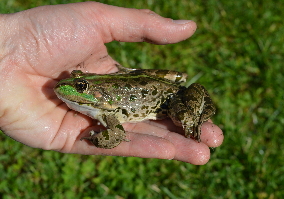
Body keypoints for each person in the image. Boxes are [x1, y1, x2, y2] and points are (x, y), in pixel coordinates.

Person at [0, 2, 223, 165]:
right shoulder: (97, 102)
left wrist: (96, 139)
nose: (67, 86)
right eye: (79, 82)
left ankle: (196, 119)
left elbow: (115, 135)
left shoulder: (109, 115)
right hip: (150, 83)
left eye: (81, 87)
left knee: (182, 117)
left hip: (171, 98)